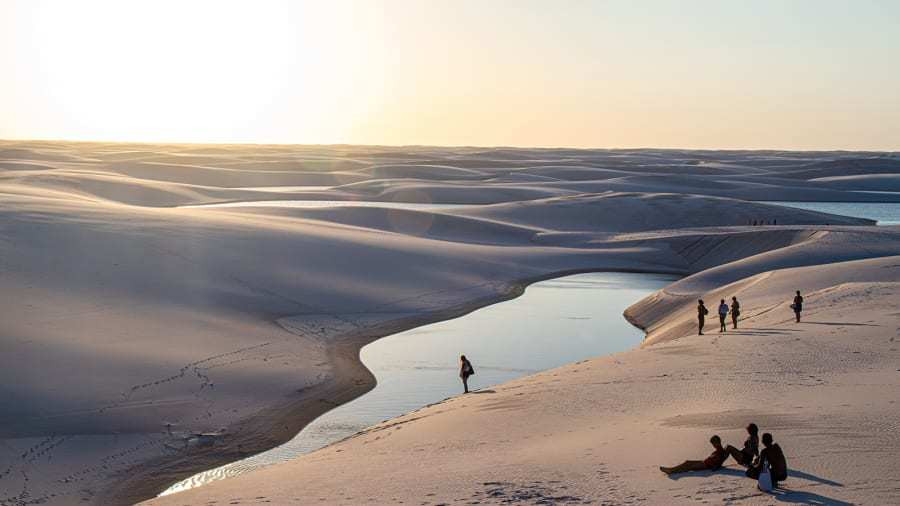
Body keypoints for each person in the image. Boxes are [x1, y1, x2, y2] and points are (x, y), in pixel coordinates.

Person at [659, 435, 728, 475]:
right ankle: (672, 470)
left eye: (713, 443)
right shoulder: (719, 450)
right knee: (687, 463)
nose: (713, 445)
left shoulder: (720, 451)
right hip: (704, 463)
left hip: (705, 465)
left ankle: (671, 471)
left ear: (717, 443)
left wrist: (715, 467)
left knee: (688, 465)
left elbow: (718, 462)